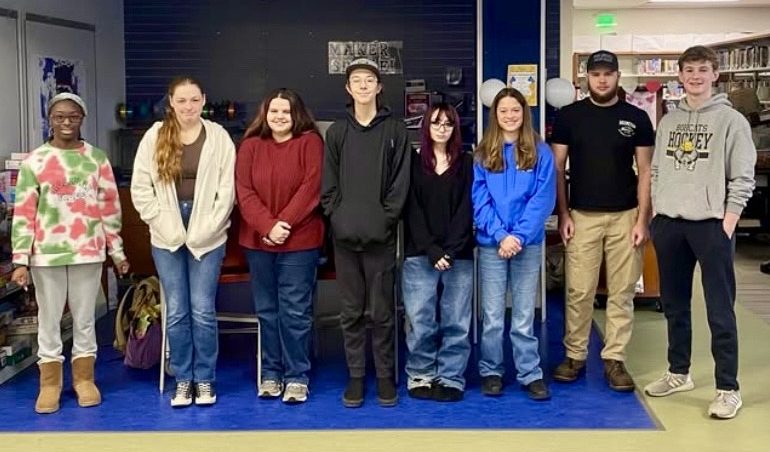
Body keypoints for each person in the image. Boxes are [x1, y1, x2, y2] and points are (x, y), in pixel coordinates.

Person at [644, 45, 756, 420]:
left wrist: (728, 220)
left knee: (719, 309)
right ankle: (679, 373)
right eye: (688, 70)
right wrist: (659, 210)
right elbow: (656, 169)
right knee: (674, 305)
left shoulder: (731, 121)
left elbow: (743, 177)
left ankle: (728, 388)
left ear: (714, 75)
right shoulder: (669, 122)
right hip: (670, 225)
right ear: (679, 75)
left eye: (702, 70)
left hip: (711, 226)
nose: (695, 76)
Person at [11, 92, 130, 414]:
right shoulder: (35, 161)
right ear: (50, 120)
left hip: (87, 251)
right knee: (48, 320)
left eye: (73, 116)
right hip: (46, 253)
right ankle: (49, 384)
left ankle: (83, 379)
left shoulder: (97, 159)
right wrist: (20, 259)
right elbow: (24, 212)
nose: (66, 122)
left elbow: (110, 208)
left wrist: (116, 251)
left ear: (82, 119)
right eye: (60, 116)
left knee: (85, 319)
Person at [551, 50, 654, 392]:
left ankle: (615, 358)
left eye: (608, 73)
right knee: (579, 291)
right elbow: (557, 169)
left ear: (617, 77)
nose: (602, 79)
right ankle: (575, 355)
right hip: (582, 216)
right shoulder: (568, 117)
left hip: (626, 217)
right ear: (585, 78)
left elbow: (645, 173)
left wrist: (642, 218)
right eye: (596, 74)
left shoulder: (637, 118)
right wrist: (563, 213)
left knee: (622, 292)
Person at [131, 76, 236, 408]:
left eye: (194, 100)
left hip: (208, 231)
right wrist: (165, 226)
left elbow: (227, 191)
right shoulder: (154, 137)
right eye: (182, 101)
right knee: (176, 310)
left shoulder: (219, 137)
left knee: (202, 309)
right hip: (166, 232)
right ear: (171, 103)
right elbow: (141, 189)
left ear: (204, 100)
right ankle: (183, 379)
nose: (188, 106)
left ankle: (205, 379)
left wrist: (207, 228)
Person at [321, 58, 411, 408]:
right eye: (356, 80)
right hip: (344, 239)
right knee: (351, 312)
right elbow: (328, 188)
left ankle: (385, 377)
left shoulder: (396, 132)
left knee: (383, 312)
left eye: (369, 80)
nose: (362, 86)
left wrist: (384, 220)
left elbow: (400, 185)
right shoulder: (336, 133)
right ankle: (356, 376)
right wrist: (338, 218)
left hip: (381, 238)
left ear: (379, 87)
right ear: (348, 88)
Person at [235, 88, 324, 404]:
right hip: (258, 241)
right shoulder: (250, 146)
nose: (279, 117)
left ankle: (297, 376)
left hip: (299, 241)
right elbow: (243, 191)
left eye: (286, 111)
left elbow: (311, 187)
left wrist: (282, 224)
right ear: (265, 114)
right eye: (274, 111)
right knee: (267, 311)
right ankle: (271, 373)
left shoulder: (310, 142)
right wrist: (267, 226)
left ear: (296, 114)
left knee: (295, 311)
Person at [472, 87, 555, 400]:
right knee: (492, 315)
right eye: (503, 110)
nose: (510, 116)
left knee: (522, 316)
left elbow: (542, 199)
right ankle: (491, 371)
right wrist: (500, 235)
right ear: (495, 115)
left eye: (515, 110)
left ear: (524, 113)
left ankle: (529, 372)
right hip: (493, 244)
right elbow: (479, 200)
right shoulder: (483, 154)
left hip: (527, 243)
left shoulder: (540, 152)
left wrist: (518, 236)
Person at [401, 103, 474, 402]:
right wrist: (431, 249)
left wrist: (451, 250)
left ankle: (451, 376)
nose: (442, 128)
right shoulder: (413, 163)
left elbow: (467, 209)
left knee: (456, 319)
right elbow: (411, 209)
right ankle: (421, 373)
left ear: (455, 128)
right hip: (420, 252)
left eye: (448, 123)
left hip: (459, 253)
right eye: (435, 123)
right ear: (426, 127)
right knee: (420, 318)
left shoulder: (467, 162)